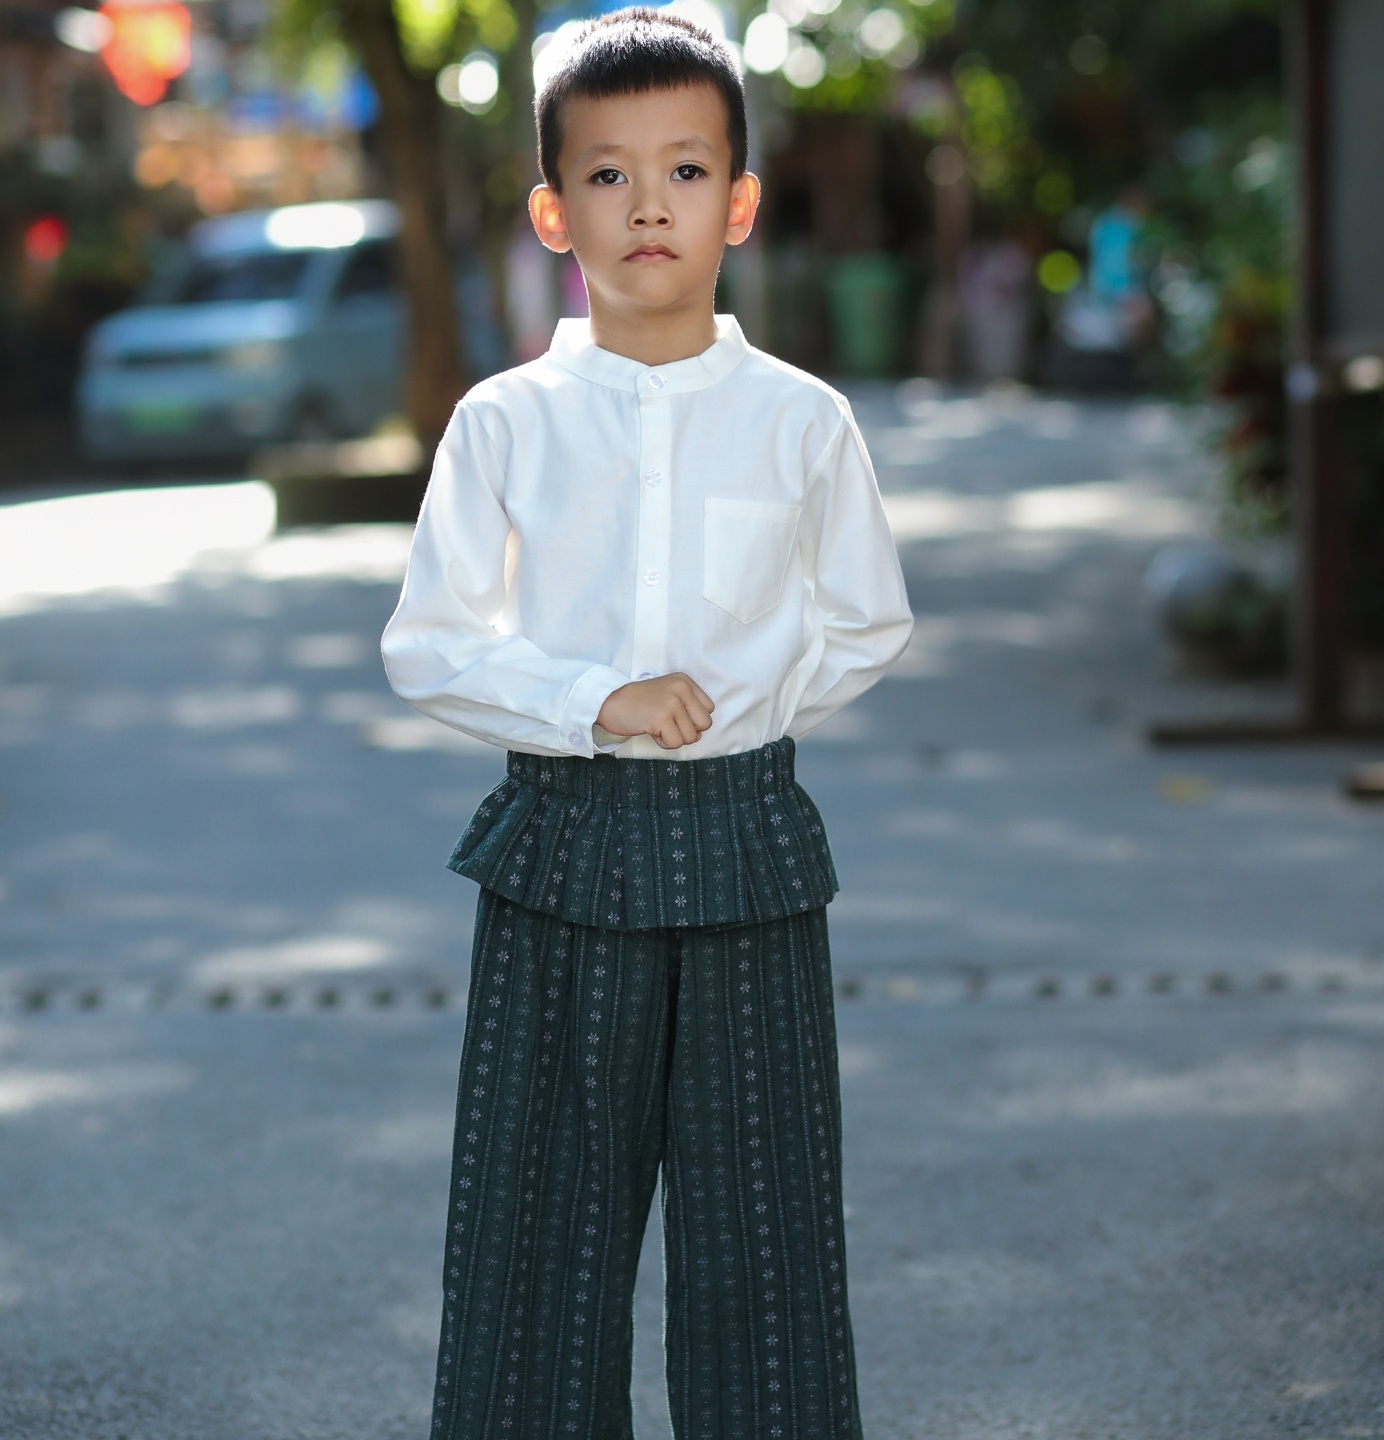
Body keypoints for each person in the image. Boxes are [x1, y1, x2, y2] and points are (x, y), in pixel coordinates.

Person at [380, 11, 913, 1438]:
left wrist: (745, 707)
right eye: (607, 177)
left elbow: (869, 618)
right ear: (556, 213)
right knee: (536, 1241)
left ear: (739, 201)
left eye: (685, 169)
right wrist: (588, 703)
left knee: (767, 1249)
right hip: (562, 840)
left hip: (748, 844)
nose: (649, 204)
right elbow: (429, 643)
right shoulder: (506, 423)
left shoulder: (803, 423)